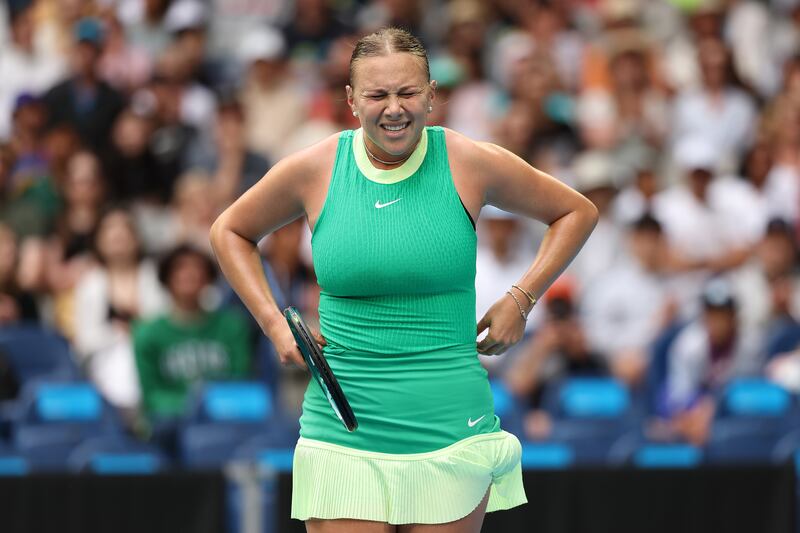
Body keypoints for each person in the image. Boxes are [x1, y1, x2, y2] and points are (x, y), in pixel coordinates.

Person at [210, 28, 598, 533]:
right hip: (344, 426)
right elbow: (229, 231)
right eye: (377, 95)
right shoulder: (317, 167)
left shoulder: (468, 161)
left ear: (432, 95)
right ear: (351, 101)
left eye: (408, 92)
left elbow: (576, 211)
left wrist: (521, 299)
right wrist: (274, 322)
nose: (394, 108)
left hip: (452, 424)